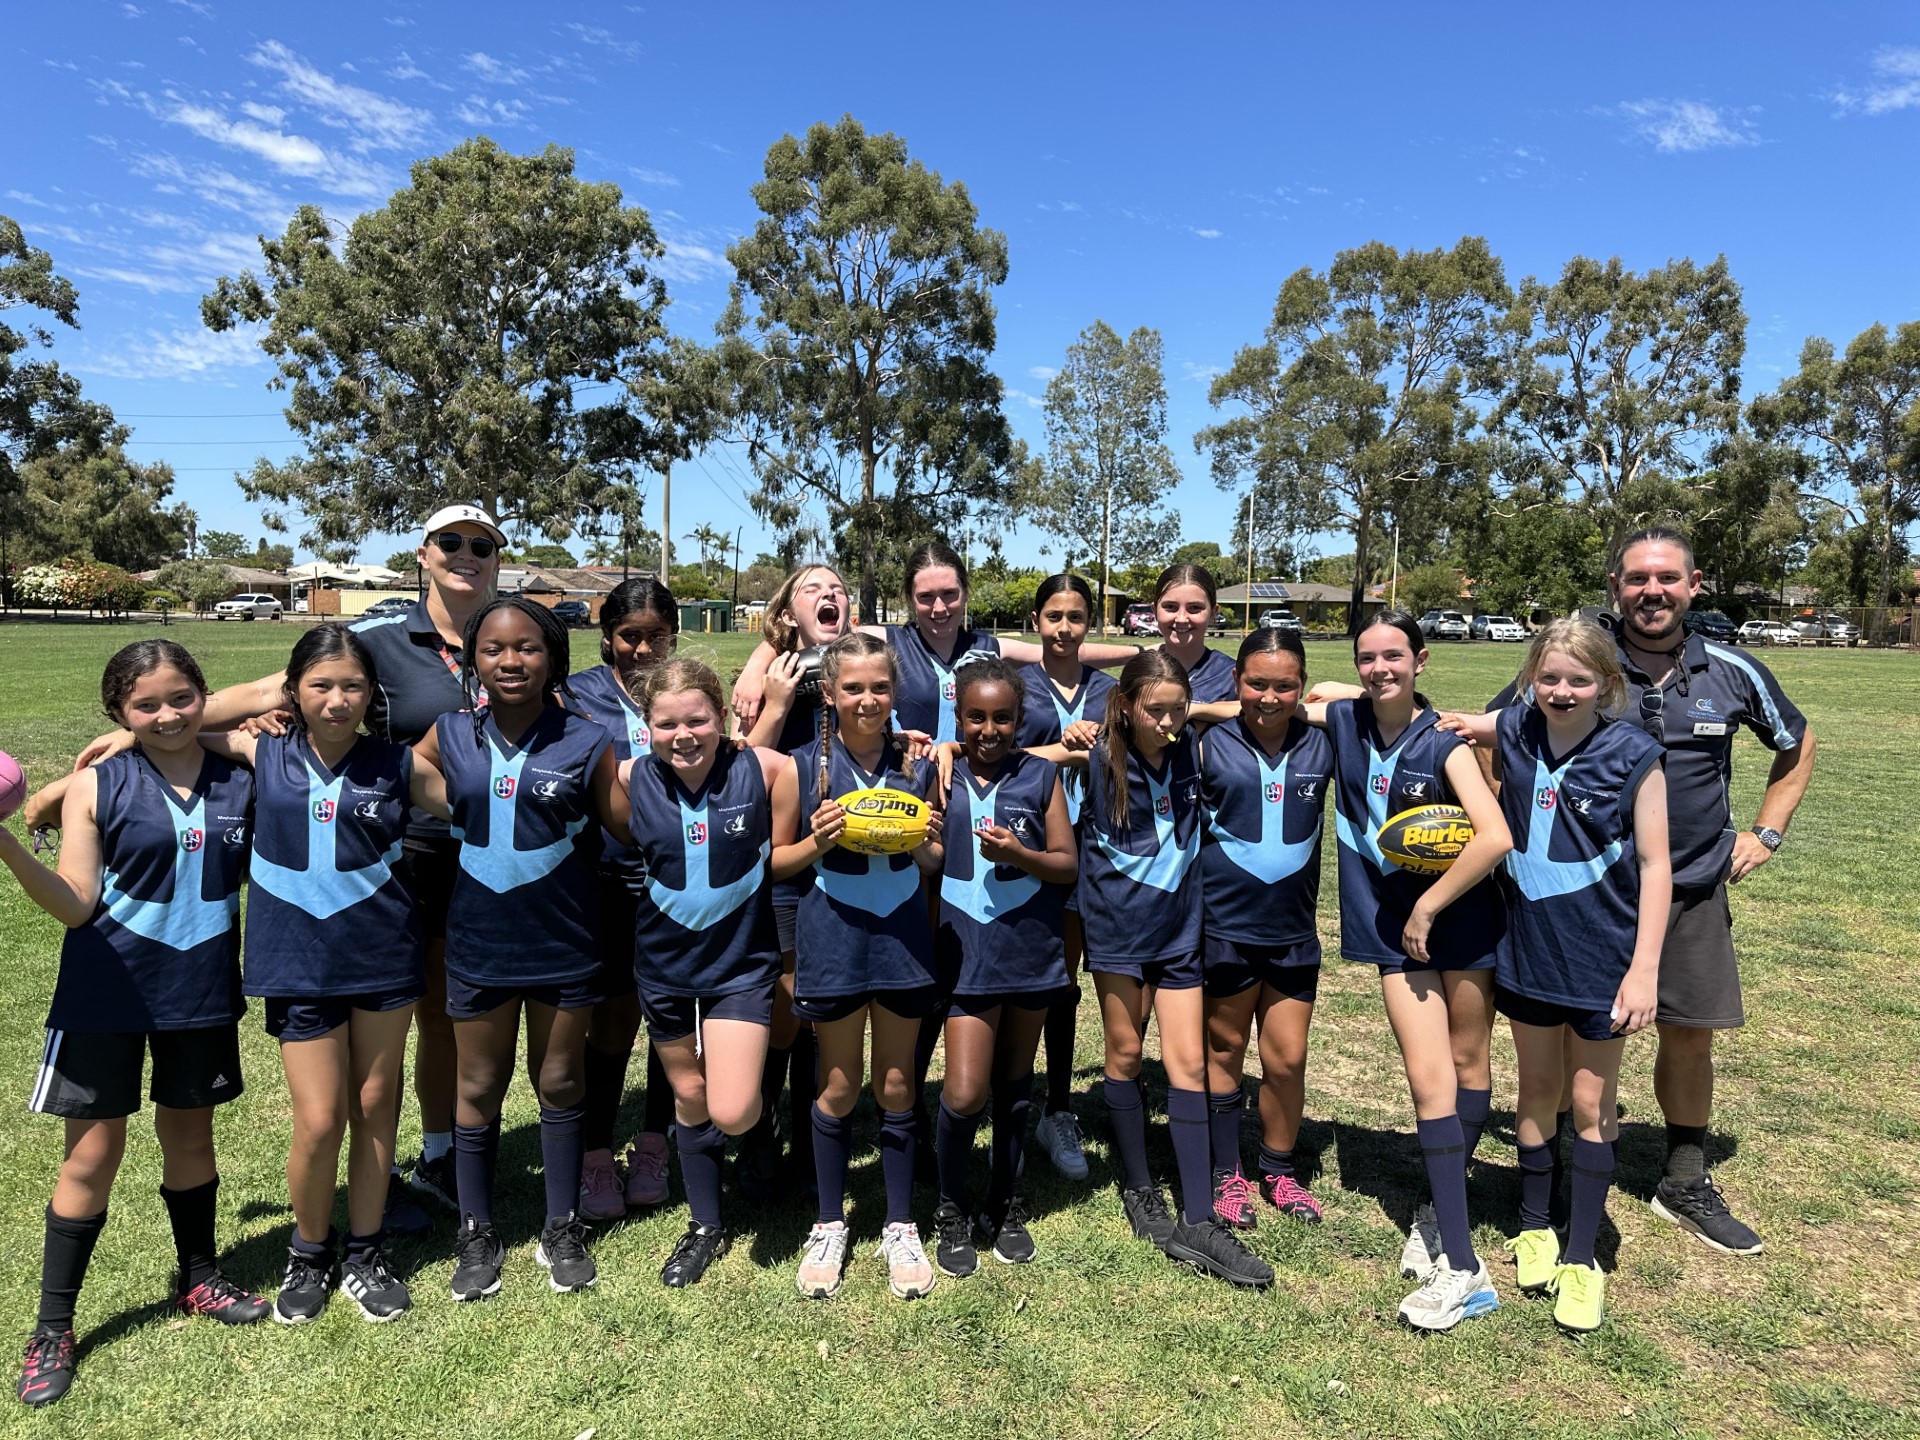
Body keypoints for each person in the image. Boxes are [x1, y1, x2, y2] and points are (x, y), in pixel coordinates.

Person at [70, 502, 510, 1236]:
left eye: (483, 544)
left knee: (443, 1015)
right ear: (425, 553)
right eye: (451, 542)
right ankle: (393, 1185)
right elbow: (266, 694)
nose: (468, 554)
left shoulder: (509, 633)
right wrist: (139, 732)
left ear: (497, 556)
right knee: (403, 1025)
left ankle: (437, 1159)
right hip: (389, 858)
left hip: (476, 857)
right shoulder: (375, 637)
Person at [1489, 528, 1815, 1255]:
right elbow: (1498, 729)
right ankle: (1554, 1188)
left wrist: (1766, 832)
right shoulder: (1583, 658)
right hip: (1582, 902)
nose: (1652, 591)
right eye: (1637, 578)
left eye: (1667, 578)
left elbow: (1796, 742)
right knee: (1565, 1061)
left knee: (1688, 1033)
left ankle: (1684, 1176)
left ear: (1693, 587)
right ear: (1616, 586)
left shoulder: (1731, 669)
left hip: (1689, 888)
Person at [2, 642, 268, 1408]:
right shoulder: (95, 787)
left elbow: (261, 718)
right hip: (106, 993)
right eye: (145, 706)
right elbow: (78, 903)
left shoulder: (239, 778)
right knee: (91, 1156)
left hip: (201, 988)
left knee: (191, 1137)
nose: (167, 715)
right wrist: (7, 844)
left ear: (202, 695)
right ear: (117, 713)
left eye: (182, 697)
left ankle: (199, 1277)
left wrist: (219, 733)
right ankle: (53, 1326)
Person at [200, 625, 441, 1325]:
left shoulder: (397, 765)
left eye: (353, 687)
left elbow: (484, 808)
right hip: (297, 964)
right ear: (293, 691)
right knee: (317, 1118)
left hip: (383, 957)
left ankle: (365, 1252)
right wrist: (119, 743)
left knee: (374, 1105)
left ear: (372, 695)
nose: (337, 701)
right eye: (320, 686)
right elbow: (177, 725)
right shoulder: (259, 750)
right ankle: (308, 1251)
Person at [1032, 649, 1273, 1289]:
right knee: (1125, 1052)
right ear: (1126, 704)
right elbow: (1030, 761)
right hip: (1115, 931)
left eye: (1177, 709)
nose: (1167, 721)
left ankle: (1199, 1215)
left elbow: (1226, 708)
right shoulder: (1095, 754)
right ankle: (1140, 1188)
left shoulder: (1194, 747)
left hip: (1179, 934)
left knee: (1188, 1064)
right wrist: (946, 755)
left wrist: (1208, 707)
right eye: (1154, 709)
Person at [1453, 620, 1669, 1334]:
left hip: (1602, 961)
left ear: (1607, 685)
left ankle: (1583, 1258)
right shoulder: (1515, 726)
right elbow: (1454, 722)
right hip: (1529, 953)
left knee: (1590, 1101)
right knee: (1537, 1091)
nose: (1562, 691)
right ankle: (1535, 1223)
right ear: (1530, 681)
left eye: (1578, 680)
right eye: (1549, 678)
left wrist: (1644, 971)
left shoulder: (1635, 753)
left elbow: (1655, 867)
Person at [1300, 611, 1513, 1330]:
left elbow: (1495, 837)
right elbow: (1284, 696)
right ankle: (1463, 1261)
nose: (1380, 668)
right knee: (1430, 1082)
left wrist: (1427, 906)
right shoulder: (1343, 719)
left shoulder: (1444, 742)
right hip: (1394, 931)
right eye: (1367, 657)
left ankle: (1443, 1216)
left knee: (1467, 1063)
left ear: (1421, 660)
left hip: (1457, 918)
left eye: (1395, 656)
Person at [415, 597, 631, 1301]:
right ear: (473, 659)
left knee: (560, 1080)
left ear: (553, 658)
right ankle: (476, 1233)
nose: (512, 662)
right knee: (477, 1086)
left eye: (529, 648)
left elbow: (627, 825)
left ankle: (561, 1226)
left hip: (565, 936)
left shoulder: (588, 738)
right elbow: (395, 772)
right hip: (479, 937)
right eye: (495, 649)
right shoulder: (449, 732)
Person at [771, 633, 945, 1301]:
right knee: (839, 1086)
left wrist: (931, 844)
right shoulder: (798, 766)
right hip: (835, 936)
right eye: (853, 688)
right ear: (829, 693)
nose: (867, 700)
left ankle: (900, 1225)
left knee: (898, 1084)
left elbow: (929, 866)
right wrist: (817, 840)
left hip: (901, 936)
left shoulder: (916, 764)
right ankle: (829, 1222)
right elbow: (776, 863)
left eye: (879, 688)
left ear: (893, 692)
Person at [625, 659, 806, 1286]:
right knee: (690, 1095)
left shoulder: (768, 770)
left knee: (730, 1108)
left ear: (723, 717)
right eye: (666, 723)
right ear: (645, 726)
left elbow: (776, 861)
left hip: (739, 965)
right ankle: (706, 1223)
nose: (684, 734)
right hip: (664, 968)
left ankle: (761, 1126)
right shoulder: (626, 778)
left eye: (697, 719)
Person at [929, 657, 1077, 1277]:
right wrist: (922, 843)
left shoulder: (1040, 778)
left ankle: (1004, 1201)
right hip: (964, 954)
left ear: (1020, 720)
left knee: (1017, 1087)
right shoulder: (936, 773)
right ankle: (950, 1207)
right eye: (975, 717)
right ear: (958, 717)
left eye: (1003, 718)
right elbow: (927, 857)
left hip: (1030, 952)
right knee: (964, 1093)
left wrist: (1024, 853)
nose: (989, 729)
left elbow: (1067, 865)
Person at [1197, 629, 1333, 1229]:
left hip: (1293, 933)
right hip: (1223, 927)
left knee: (1286, 1059)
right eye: (1256, 683)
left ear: (1301, 688)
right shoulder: (1205, 744)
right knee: (1223, 1050)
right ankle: (1225, 1174)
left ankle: (1278, 1169)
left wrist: (1319, 703)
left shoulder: (1326, 743)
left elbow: (1405, 704)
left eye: (1285, 686)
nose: (1269, 697)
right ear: (1236, 682)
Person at [735, 563, 858, 1201]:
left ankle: (815, 1141)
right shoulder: (771, 674)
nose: (827, 595)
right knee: (786, 1011)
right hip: (787, 856)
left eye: (836, 588)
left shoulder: (863, 661)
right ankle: (758, 1138)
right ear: (787, 613)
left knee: (824, 1007)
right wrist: (774, 693)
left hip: (852, 854)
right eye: (811, 589)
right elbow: (742, 774)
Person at [565, 579, 681, 1219]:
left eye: (655, 636)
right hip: (605, 880)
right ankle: (594, 1156)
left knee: (670, 1018)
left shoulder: (687, 689)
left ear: (674, 635)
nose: (642, 648)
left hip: (681, 882)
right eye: (630, 636)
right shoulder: (578, 696)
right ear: (607, 636)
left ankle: (654, 1143)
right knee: (611, 1024)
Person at [1015, 574, 1116, 1182]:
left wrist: (1103, 742)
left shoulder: (1111, 691)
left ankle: (1057, 1109)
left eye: (1076, 617)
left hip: (1094, 852)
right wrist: (1065, 747)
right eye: (1053, 616)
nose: (1063, 628)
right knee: (1024, 977)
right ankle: (1013, 1104)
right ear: (1035, 622)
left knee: (1062, 982)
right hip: (1025, 851)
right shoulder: (1018, 687)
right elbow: (994, 752)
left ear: (1090, 625)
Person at [1148, 563, 1238, 709]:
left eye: (1195, 608)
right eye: (1170, 607)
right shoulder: (1140, 670)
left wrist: (1198, 710)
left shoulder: (1231, 676)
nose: (1181, 618)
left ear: (1213, 613)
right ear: (1154, 610)